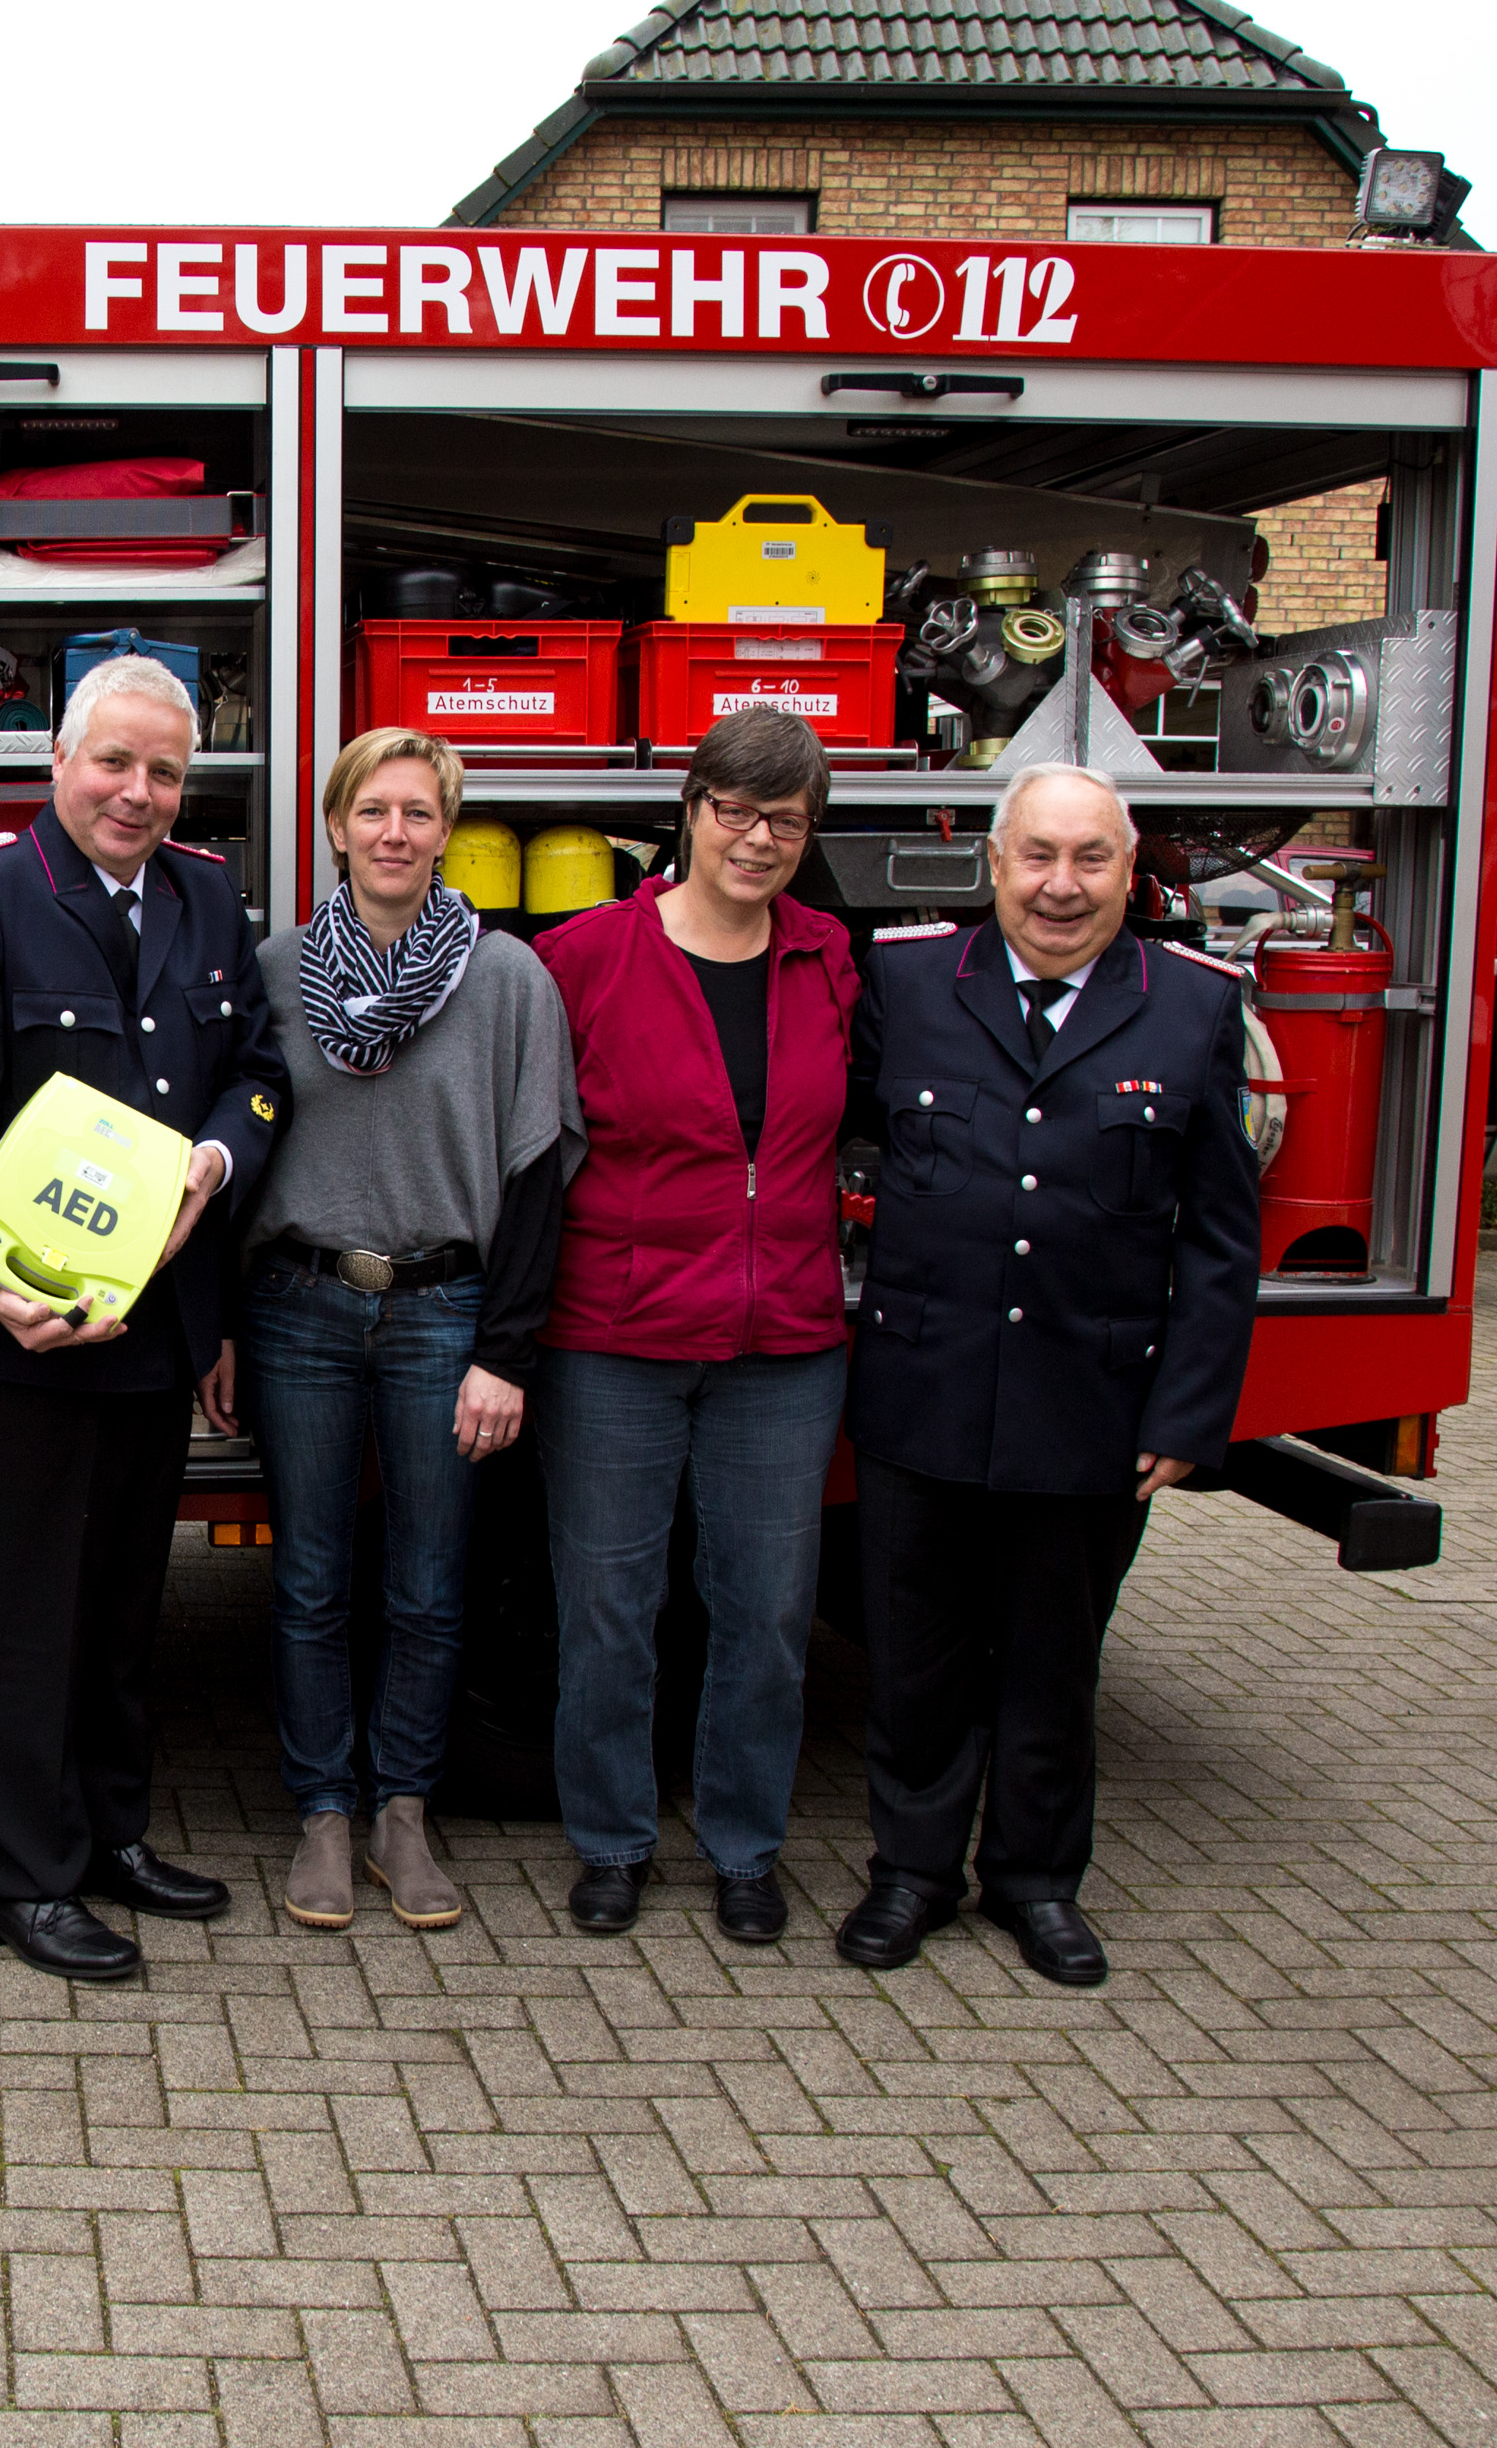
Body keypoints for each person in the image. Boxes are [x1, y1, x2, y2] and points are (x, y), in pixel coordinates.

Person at [0, 654, 285, 1981]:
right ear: (60, 759)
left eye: (165, 770)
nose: (138, 791)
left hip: (155, 1322)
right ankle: (17, 1870)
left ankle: (109, 1833)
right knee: (22, 1610)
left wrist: (213, 1163)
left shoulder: (209, 898)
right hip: (26, 1331)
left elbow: (258, 1074)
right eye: (114, 762)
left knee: (123, 1605)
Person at [838, 760, 1262, 1987]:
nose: (1059, 887)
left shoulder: (1191, 1007)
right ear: (993, 863)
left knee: (1050, 1664)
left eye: (1089, 860)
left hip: (1089, 1402)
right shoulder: (912, 981)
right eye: (1036, 856)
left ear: (1131, 873)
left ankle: (1035, 1883)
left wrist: (1188, 1412)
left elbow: (1220, 1238)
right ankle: (909, 1874)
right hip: (923, 1390)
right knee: (914, 1661)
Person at [215, 727, 575, 1933]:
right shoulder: (272, 974)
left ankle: (403, 1812)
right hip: (297, 1308)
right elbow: (231, 1160)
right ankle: (323, 1809)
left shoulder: (509, 978)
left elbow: (537, 1178)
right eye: (373, 811)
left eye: (419, 814)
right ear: (332, 825)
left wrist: (505, 1352)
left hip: (442, 1313)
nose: (394, 834)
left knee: (429, 1585)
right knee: (311, 1578)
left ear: (446, 830)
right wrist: (217, 1327)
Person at [532, 709, 860, 1943]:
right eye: (734, 808)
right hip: (613, 1339)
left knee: (766, 1614)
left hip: (782, 1344)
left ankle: (742, 1846)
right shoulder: (586, 957)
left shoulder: (829, 959)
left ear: (808, 831)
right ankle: (611, 1839)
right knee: (609, 1610)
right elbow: (532, 1151)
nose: (757, 838)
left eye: (784, 818)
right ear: (689, 807)